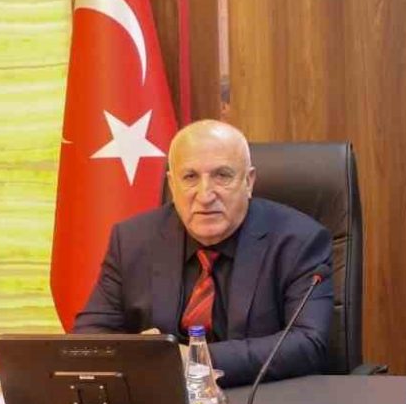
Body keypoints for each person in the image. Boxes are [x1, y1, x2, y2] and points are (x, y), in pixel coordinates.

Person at [73, 120, 333, 386]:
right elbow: (89, 337)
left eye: (222, 175)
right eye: (190, 177)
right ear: (172, 185)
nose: (205, 195)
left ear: (248, 182)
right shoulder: (132, 240)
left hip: (257, 396)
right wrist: (142, 357)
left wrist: (195, 360)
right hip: (164, 399)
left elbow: (308, 343)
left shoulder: (298, 241)